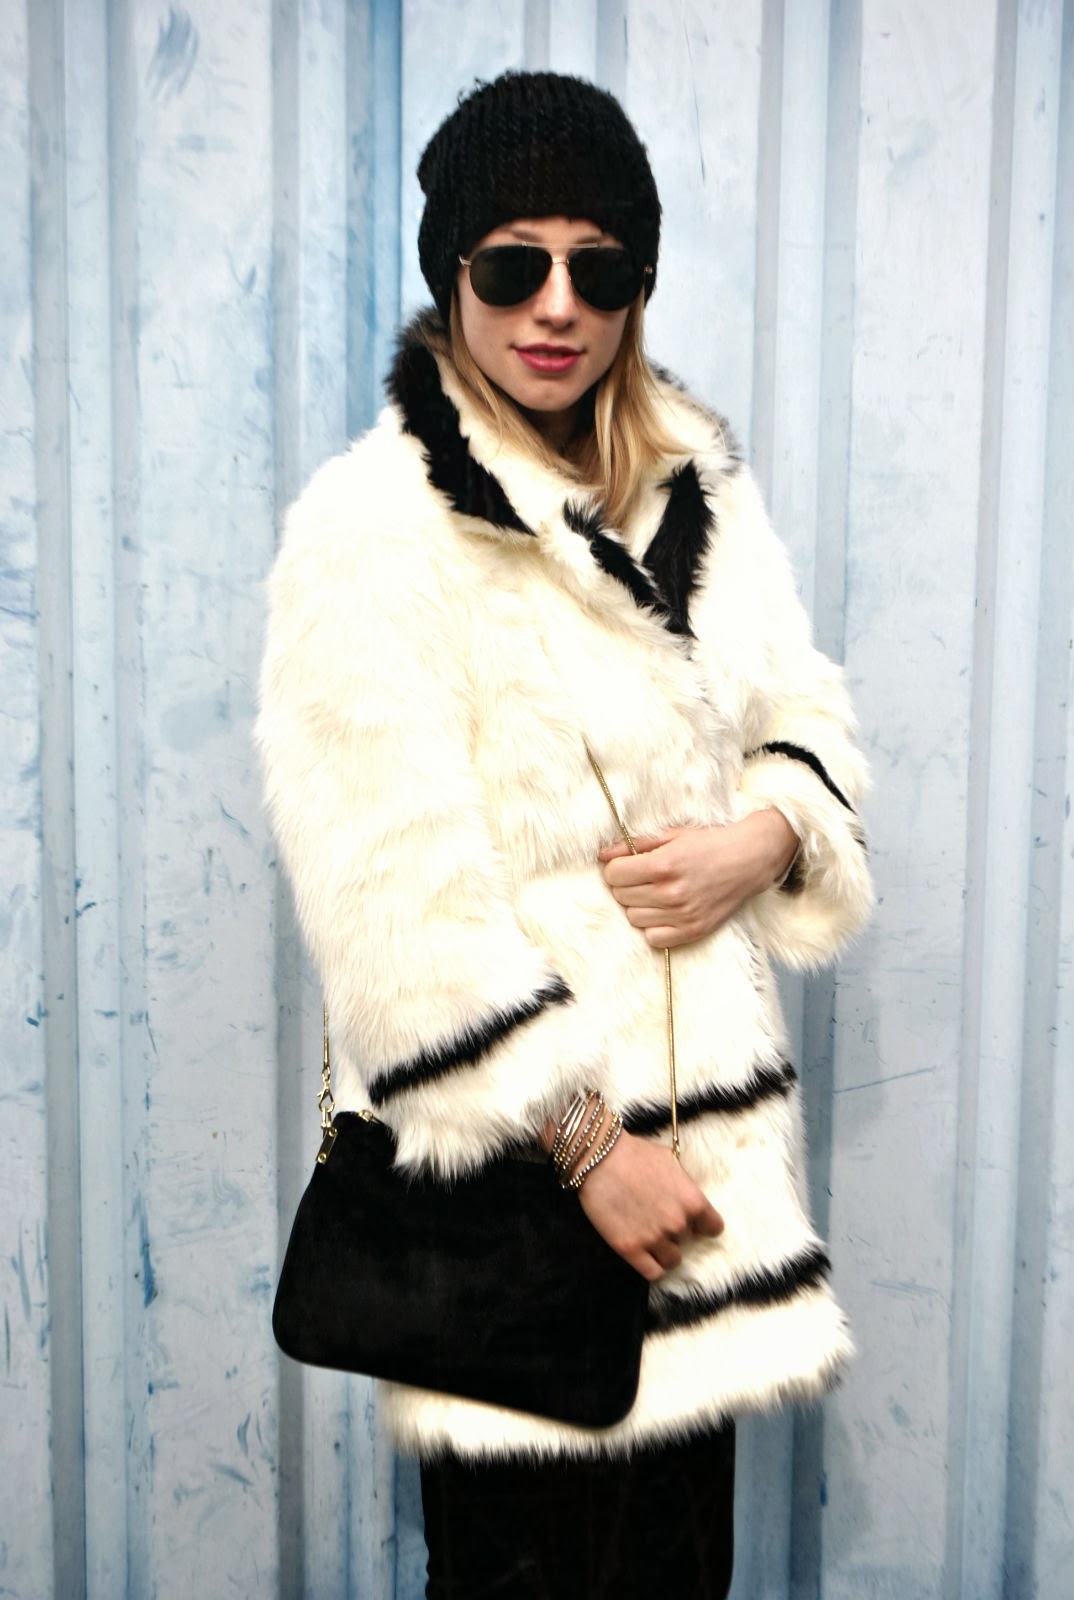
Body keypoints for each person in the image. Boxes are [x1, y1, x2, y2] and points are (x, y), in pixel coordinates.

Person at [258, 70, 872, 1600]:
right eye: (510, 264)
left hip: (702, 1196)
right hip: (525, 1205)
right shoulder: (375, 529)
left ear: (637, 284)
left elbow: (799, 712)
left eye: (598, 269)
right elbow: (394, 915)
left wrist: (769, 834)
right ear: (450, 274)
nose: (556, 306)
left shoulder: (688, 484)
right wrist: (589, 1150)